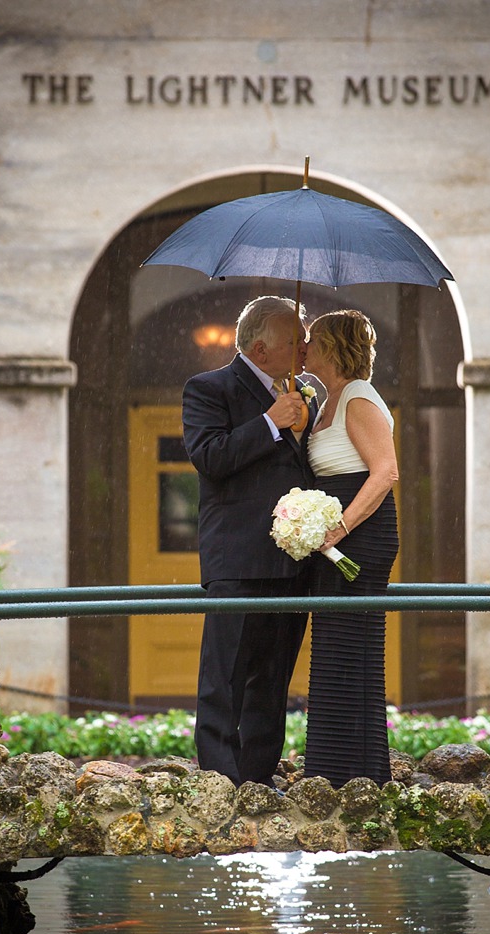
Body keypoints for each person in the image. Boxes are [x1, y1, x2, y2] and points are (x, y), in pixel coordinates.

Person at [183, 294, 319, 787]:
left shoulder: (306, 395)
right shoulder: (209, 389)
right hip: (237, 561)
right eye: (294, 341)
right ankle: (220, 782)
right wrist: (269, 423)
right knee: (225, 678)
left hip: (292, 562)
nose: (304, 348)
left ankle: (260, 780)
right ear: (260, 350)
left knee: (273, 678)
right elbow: (211, 458)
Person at [301, 308, 400, 787]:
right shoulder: (326, 399)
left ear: (335, 347)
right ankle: (332, 772)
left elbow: (385, 472)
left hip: (359, 538)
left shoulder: (357, 397)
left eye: (312, 338)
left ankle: (358, 776)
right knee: (333, 650)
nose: (304, 345)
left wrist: (338, 528)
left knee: (351, 651)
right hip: (332, 541)